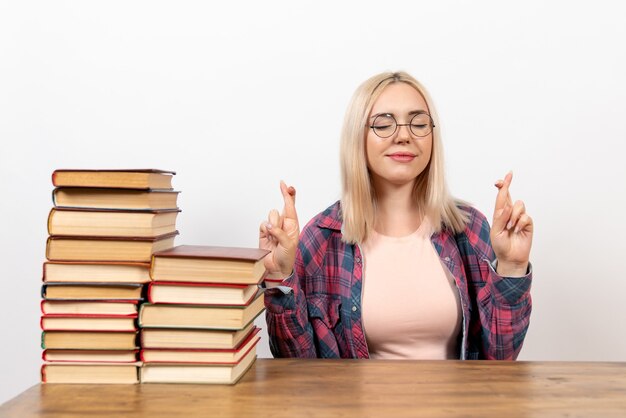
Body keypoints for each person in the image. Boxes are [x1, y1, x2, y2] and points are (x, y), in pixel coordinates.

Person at [259, 71, 533, 360]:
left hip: (456, 406)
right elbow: (296, 369)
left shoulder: (469, 229)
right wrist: (279, 277)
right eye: (383, 125)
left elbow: (501, 360)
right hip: (355, 407)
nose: (404, 136)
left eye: (418, 123)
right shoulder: (321, 238)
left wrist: (512, 267)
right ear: (357, 137)